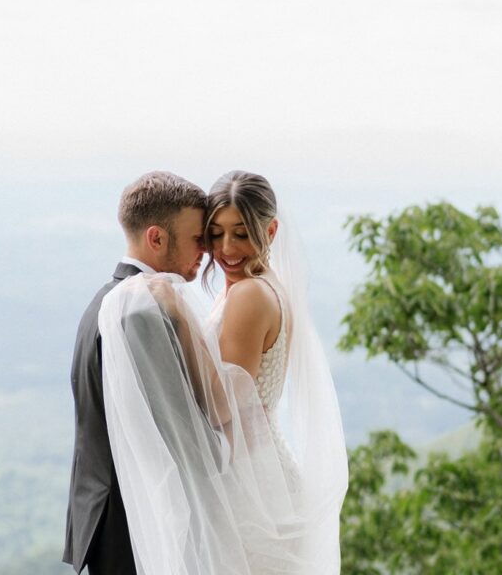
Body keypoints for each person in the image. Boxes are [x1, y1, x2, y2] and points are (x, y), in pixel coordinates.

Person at [99, 170, 348, 574]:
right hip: (249, 470)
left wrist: (180, 315)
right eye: (215, 234)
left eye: (242, 233)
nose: (226, 249)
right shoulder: (254, 286)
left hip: (252, 487)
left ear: (271, 230)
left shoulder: (249, 295)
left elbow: (220, 406)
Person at [62, 170, 207, 575]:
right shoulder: (141, 309)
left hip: (107, 515)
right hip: (131, 524)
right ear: (157, 238)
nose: (207, 251)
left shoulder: (105, 299)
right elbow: (179, 425)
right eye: (198, 238)